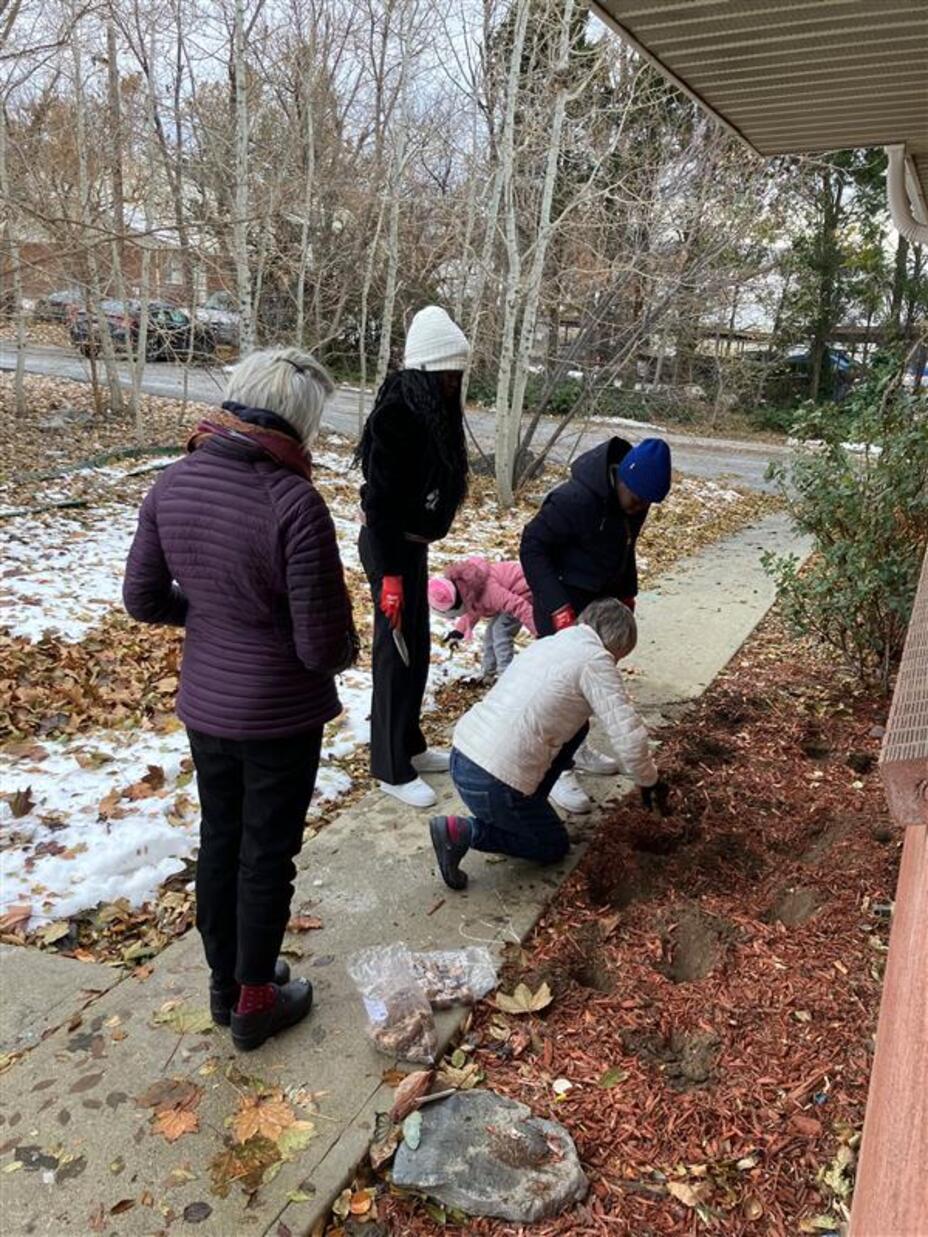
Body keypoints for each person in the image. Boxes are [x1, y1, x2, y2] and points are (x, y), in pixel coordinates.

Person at [123, 348, 357, 1052]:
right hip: (280, 716)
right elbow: (321, 646)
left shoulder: (172, 482)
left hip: (208, 706)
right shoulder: (294, 503)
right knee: (266, 854)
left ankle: (225, 983)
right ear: (299, 421)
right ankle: (255, 998)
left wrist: (210, 617)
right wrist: (338, 644)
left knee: (220, 840)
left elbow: (142, 598)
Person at [428, 598, 668, 889]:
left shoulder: (549, 644)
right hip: (493, 780)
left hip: (464, 757)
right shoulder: (595, 660)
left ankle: (524, 806)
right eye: (618, 657)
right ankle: (463, 831)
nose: (615, 664)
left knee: (578, 724)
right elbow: (627, 733)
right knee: (551, 845)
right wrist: (649, 780)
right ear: (615, 645)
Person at [356, 306, 470, 808]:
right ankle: (389, 765)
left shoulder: (432, 412)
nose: (453, 385)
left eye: (457, 376)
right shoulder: (397, 416)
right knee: (395, 654)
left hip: (412, 548)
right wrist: (390, 579)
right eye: (447, 375)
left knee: (417, 649)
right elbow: (380, 506)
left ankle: (410, 743)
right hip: (389, 550)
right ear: (426, 372)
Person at [520, 436, 671, 815]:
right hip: (560, 597)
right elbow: (532, 546)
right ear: (622, 477)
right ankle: (555, 770)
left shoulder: (634, 501)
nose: (640, 508)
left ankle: (577, 747)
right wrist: (557, 606)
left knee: (590, 683)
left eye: (647, 504)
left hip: (598, 600)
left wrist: (628, 593)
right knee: (560, 691)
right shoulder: (574, 499)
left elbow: (626, 547)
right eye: (636, 499)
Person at [428, 556, 536, 680]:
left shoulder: (489, 592)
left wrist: (539, 630)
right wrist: (459, 631)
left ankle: (506, 676)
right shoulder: (467, 589)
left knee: (500, 630)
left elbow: (519, 606)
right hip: (508, 598)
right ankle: (488, 673)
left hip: (524, 591)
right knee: (490, 634)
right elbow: (472, 610)